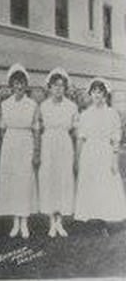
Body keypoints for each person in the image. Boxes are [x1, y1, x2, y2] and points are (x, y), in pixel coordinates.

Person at [74, 77, 126, 226]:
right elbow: (81, 139)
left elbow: (116, 138)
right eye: (94, 92)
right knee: (90, 184)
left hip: (105, 151)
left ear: (105, 94)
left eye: (100, 92)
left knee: (105, 183)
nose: (97, 95)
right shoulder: (85, 115)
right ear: (90, 94)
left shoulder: (112, 114)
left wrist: (114, 160)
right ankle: (91, 217)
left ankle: (104, 219)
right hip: (89, 152)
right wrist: (77, 160)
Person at [0, 64, 39, 239]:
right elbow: (0, 129)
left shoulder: (32, 104)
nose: (19, 86)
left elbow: (36, 128)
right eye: (16, 83)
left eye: (22, 83)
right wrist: (0, 149)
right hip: (10, 144)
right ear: (11, 85)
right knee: (13, 182)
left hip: (26, 142)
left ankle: (25, 221)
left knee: (25, 181)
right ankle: (15, 221)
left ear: (25, 85)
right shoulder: (5, 104)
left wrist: (36, 151)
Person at [37, 67, 78, 237]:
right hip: (48, 145)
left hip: (64, 145)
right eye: (55, 85)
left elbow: (75, 131)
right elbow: (38, 129)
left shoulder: (72, 106)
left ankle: (60, 222)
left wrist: (76, 154)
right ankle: (51, 222)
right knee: (49, 180)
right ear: (50, 87)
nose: (58, 89)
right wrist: (38, 151)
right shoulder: (43, 106)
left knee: (63, 180)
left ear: (65, 88)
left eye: (61, 86)